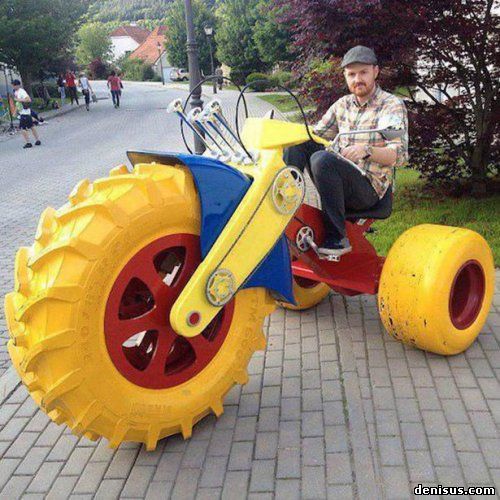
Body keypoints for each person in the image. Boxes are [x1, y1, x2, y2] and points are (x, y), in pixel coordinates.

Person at [284, 45, 408, 257]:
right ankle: (285, 208)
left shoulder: (390, 105)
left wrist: (367, 150)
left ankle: (337, 238)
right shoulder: (342, 105)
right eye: (351, 74)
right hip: (339, 178)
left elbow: (400, 155)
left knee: (322, 159)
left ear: (375, 71)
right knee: (298, 143)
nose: (357, 79)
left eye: (363, 72)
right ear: (345, 76)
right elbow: (314, 134)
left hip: (369, 188)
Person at [11, 79, 41, 148]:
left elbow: (28, 99)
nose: (13, 86)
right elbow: (18, 103)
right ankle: (37, 140)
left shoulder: (22, 91)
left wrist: (19, 100)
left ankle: (28, 143)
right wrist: (15, 111)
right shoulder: (16, 92)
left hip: (24, 113)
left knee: (23, 128)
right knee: (31, 126)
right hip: (24, 113)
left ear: (17, 85)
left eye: (14, 85)